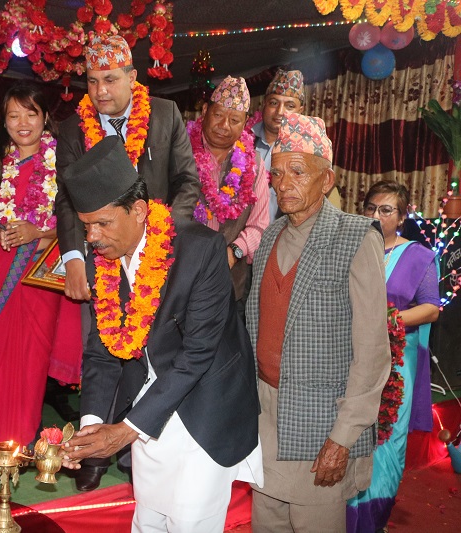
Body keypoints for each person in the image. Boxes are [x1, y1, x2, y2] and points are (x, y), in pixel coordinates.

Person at [61, 136, 262, 532]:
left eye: (102, 223)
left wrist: (124, 431)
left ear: (138, 210)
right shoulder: (102, 258)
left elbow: (197, 355)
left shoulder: (200, 249)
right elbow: (102, 351)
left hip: (206, 407)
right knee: (150, 519)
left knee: (189, 522)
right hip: (147, 405)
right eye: (86, 227)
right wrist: (91, 427)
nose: (93, 237)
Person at [55, 33, 200, 491]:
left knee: (153, 350)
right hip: (99, 254)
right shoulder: (73, 128)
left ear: (133, 77)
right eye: (92, 80)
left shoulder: (165, 114)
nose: (100, 91)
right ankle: (94, 446)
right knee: (103, 348)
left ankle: (133, 442)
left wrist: (160, 234)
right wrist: (73, 257)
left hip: (158, 256)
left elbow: (187, 183)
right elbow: (66, 200)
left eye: (111, 79)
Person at [245, 112, 391, 532]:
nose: (283, 184)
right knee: (266, 524)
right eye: (276, 173)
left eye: (298, 172)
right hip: (266, 416)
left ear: (326, 180)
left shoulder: (356, 237)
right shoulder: (269, 236)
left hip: (321, 425)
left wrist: (343, 436)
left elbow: (372, 352)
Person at [0, 83, 82, 477]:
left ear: (46, 118)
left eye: (31, 113)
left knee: (30, 360)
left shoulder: (63, 165)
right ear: (3, 121)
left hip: (40, 274)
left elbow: (74, 221)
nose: (22, 123)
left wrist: (36, 233)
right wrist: (3, 232)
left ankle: (19, 449)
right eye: (13, 115)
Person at [347, 180, 440, 532]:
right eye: (370, 207)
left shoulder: (418, 256)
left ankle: (373, 520)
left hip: (398, 362)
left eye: (386, 210)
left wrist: (388, 320)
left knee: (387, 440)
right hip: (350, 356)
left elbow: (431, 308)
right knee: (351, 434)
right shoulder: (350, 247)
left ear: (401, 217)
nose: (376, 215)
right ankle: (344, 517)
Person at [188, 75, 269, 304]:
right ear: (205, 110)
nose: (224, 126)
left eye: (234, 120)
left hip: (229, 289)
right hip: (180, 279)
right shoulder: (180, 151)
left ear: (245, 123)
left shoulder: (254, 164)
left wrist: (234, 252)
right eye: (218, 115)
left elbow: (260, 227)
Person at [252, 69, 305, 224]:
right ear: (264, 104)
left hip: (282, 235)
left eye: (290, 106)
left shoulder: (307, 153)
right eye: (274, 103)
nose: (280, 112)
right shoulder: (240, 140)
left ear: (300, 111)